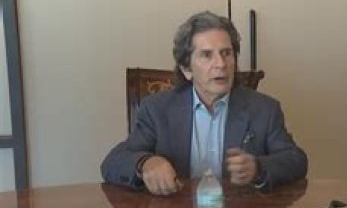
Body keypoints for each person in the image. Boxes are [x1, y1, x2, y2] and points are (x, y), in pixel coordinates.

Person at [102, 11, 307, 195]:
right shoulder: (157, 109)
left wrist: (258, 168)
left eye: (226, 53)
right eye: (207, 55)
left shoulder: (264, 109)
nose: (221, 64)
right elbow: (113, 162)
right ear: (186, 69)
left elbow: (296, 160)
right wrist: (145, 163)